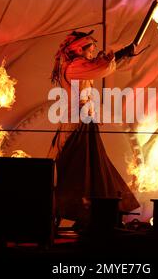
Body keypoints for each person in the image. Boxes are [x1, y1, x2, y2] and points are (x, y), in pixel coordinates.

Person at [48, 30, 140, 227]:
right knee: (81, 173)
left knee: (90, 172)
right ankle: (66, 213)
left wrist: (124, 53)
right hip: (77, 126)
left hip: (84, 123)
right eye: (90, 49)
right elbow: (102, 67)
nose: (93, 52)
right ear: (80, 49)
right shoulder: (74, 66)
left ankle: (87, 217)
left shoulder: (79, 66)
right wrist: (123, 51)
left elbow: (103, 67)